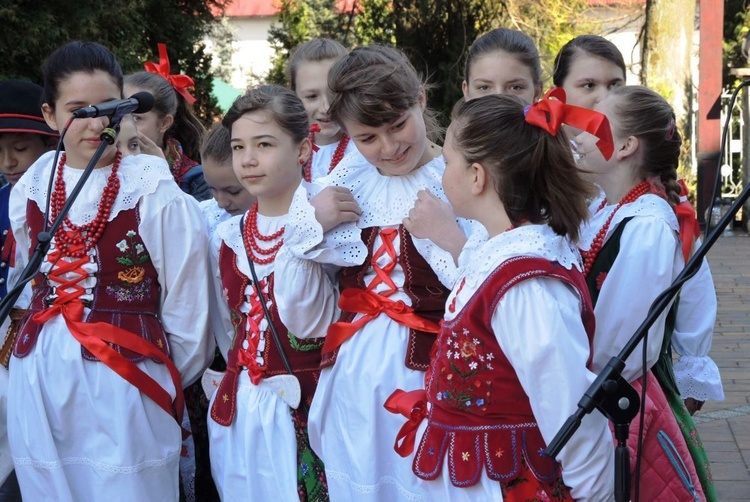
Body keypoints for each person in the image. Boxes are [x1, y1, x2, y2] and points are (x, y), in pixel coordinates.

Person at [7, 41, 213, 501]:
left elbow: (190, 309)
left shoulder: (153, 189)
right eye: (79, 109)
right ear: (49, 115)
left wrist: (154, 377)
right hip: (40, 380)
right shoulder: (35, 183)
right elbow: (29, 278)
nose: (98, 122)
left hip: (127, 382)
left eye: (108, 108)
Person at [388, 92, 615, 501]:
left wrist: (593, 496)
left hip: (507, 484)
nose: (442, 172)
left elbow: (571, 411)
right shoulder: (494, 258)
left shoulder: (526, 286)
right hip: (477, 478)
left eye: (448, 161)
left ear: (477, 176)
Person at [274, 44, 466, 501]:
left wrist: (448, 236)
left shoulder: (459, 179)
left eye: (397, 125)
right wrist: (309, 228)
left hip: (434, 374)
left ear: (420, 100)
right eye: (368, 137)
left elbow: (493, 288)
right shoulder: (342, 185)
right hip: (355, 376)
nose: (388, 146)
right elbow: (303, 317)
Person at [555, 35, 720, 500]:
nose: (581, 136)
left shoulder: (647, 225)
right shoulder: (614, 210)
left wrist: (569, 380)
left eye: (594, 127)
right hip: (600, 388)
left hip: (613, 397)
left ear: (625, 146)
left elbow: (622, 341)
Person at [207, 85, 327, 501]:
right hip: (243, 408)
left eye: (264, 144)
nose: (249, 160)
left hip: (310, 407)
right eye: (239, 147)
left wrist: (312, 231)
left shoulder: (329, 221)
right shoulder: (228, 236)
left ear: (303, 150)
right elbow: (229, 328)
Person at [405, 27, 545, 261]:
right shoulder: (449, 168)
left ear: (537, 92)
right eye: (484, 87)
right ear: (466, 91)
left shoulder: (547, 165)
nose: (498, 97)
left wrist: (450, 238)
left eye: (516, 87)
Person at [0, 78, 58, 502]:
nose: (7, 161)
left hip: (57, 351)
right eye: (0, 150)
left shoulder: (69, 201)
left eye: (20, 148)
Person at [124, 44, 210, 201]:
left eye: (136, 118)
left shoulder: (195, 179)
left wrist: (161, 173)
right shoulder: (103, 166)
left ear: (164, 123)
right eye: (121, 114)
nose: (125, 125)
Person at [288, 38, 358, 182]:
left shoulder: (366, 151)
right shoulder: (288, 152)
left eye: (334, 93)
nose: (326, 107)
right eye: (312, 96)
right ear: (295, 96)